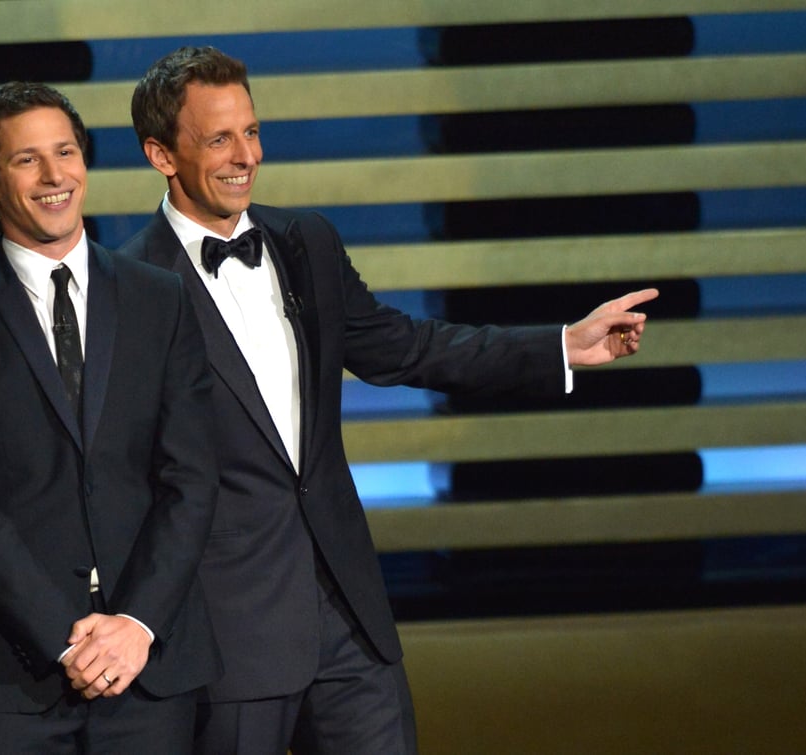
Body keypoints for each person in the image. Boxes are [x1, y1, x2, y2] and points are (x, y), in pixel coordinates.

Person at [119, 45, 659, 755]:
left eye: (251, 131)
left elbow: (406, 346)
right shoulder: (129, 287)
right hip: (230, 630)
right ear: (161, 154)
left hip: (350, 619)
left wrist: (560, 345)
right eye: (219, 138)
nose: (245, 155)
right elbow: (117, 471)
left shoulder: (305, 240)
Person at [0, 81, 221, 754]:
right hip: (9, 680)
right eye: (27, 160)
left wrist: (134, 623)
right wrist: (66, 639)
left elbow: (191, 477)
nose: (55, 176)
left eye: (66, 152)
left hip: (150, 667)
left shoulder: (160, 299)